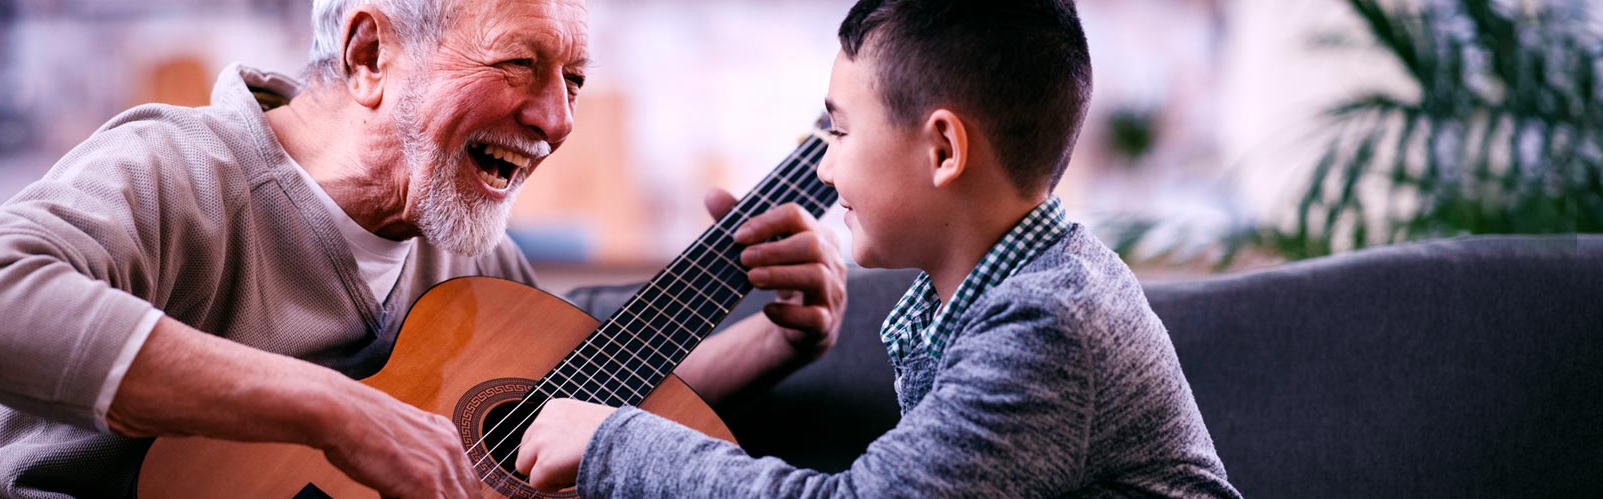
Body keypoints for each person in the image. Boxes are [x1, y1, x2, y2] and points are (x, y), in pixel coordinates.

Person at [0, 0, 847, 497]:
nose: (557, 120)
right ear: (368, 56)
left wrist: (776, 341)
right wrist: (338, 411)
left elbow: (547, 430)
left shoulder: (464, 244)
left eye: (576, 79)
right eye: (521, 63)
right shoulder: (175, 167)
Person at [514, 0, 1241, 496]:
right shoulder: (990, 292)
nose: (823, 168)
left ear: (944, 148)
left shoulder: (1048, 323)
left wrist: (614, 441)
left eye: (838, 129)